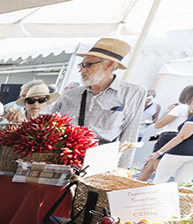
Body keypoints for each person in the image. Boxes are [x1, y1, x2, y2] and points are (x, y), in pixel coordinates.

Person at [50, 37, 146, 168]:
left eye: (88, 65)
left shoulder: (132, 93)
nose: (81, 70)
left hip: (100, 160)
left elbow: (129, 137)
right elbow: (50, 130)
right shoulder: (69, 96)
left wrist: (121, 170)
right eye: (81, 65)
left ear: (108, 65)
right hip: (64, 157)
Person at [135, 84, 193, 182]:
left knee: (157, 168)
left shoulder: (181, 108)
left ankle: (152, 189)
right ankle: (134, 187)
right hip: (181, 139)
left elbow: (158, 124)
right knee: (150, 167)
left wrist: (168, 110)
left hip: (168, 137)